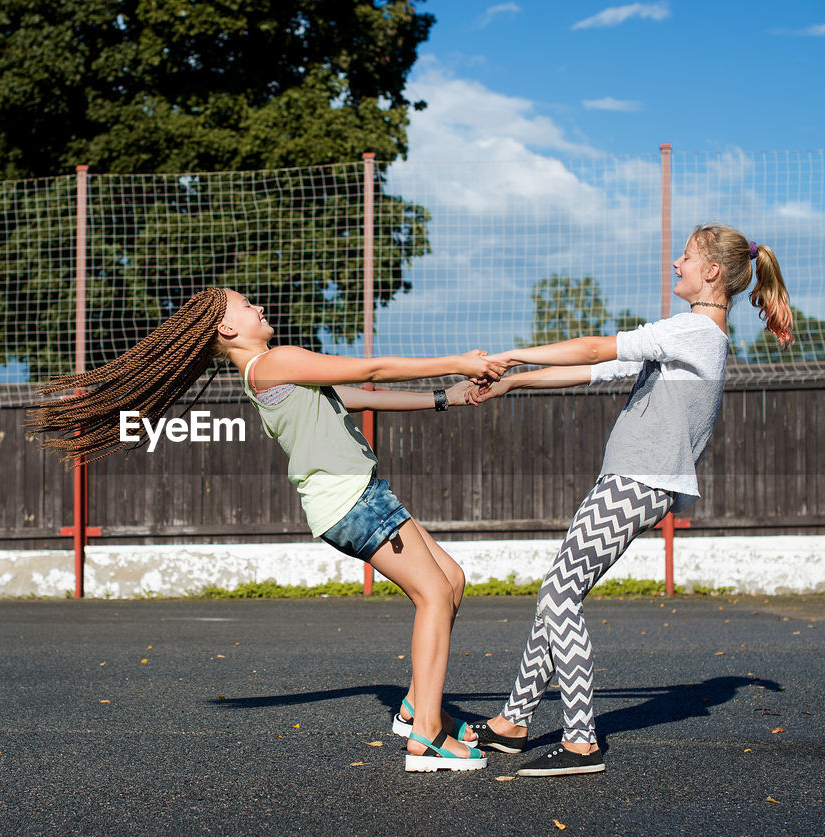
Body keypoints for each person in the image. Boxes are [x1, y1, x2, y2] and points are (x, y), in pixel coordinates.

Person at [29, 287, 504, 771]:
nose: (258, 307)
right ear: (227, 328)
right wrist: (457, 361)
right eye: (245, 305)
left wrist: (447, 397)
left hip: (361, 493)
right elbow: (370, 369)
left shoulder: (272, 373)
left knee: (451, 579)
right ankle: (425, 735)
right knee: (434, 595)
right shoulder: (275, 362)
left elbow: (357, 394)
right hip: (351, 500)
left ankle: (415, 707)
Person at [467, 224, 792, 777]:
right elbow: (592, 368)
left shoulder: (695, 332)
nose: (675, 264)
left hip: (639, 481)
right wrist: (512, 382)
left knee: (558, 598)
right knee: (556, 592)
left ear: (711, 271)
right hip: (629, 477)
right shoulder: (688, 335)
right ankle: (513, 722)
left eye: (686, 258)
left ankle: (580, 741)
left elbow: (595, 345)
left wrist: (505, 354)